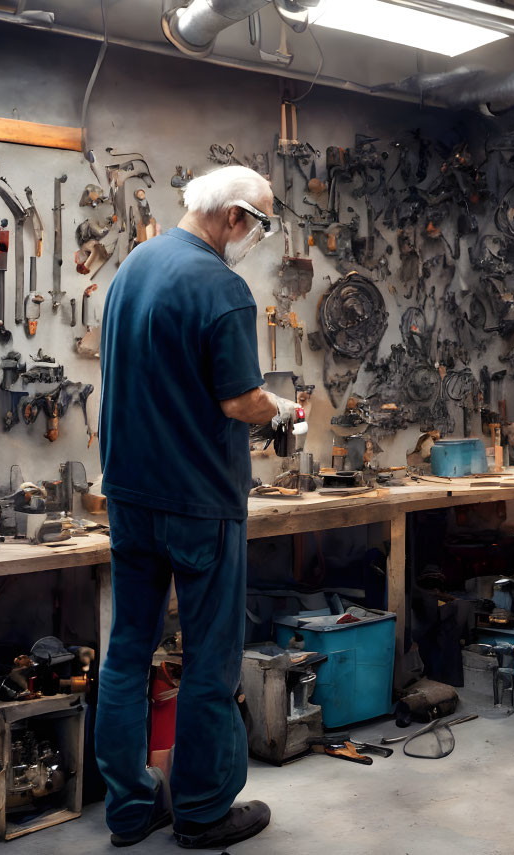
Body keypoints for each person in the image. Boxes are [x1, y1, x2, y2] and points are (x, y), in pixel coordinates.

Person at [95, 166, 297, 849]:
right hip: (197, 503)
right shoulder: (221, 287)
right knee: (210, 658)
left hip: (129, 495)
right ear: (235, 217)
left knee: (127, 652)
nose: (256, 239)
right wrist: (283, 407)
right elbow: (240, 400)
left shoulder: (133, 268)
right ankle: (204, 812)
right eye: (260, 225)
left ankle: (128, 809)